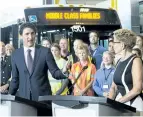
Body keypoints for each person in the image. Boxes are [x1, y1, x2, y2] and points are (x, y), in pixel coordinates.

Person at [9, 23, 66, 101]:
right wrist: (8, 98)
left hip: (43, 99)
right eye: (27, 34)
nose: (30, 37)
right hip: (24, 100)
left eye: (32, 33)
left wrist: (64, 71)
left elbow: (55, 72)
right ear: (21, 36)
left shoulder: (45, 52)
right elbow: (15, 80)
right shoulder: (16, 55)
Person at [108, 29, 143, 111]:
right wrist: (109, 103)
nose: (112, 45)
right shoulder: (119, 61)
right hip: (120, 103)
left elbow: (137, 90)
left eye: (115, 42)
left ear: (122, 45)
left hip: (134, 105)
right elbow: (113, 87)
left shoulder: (136, 61)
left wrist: (118, 102)